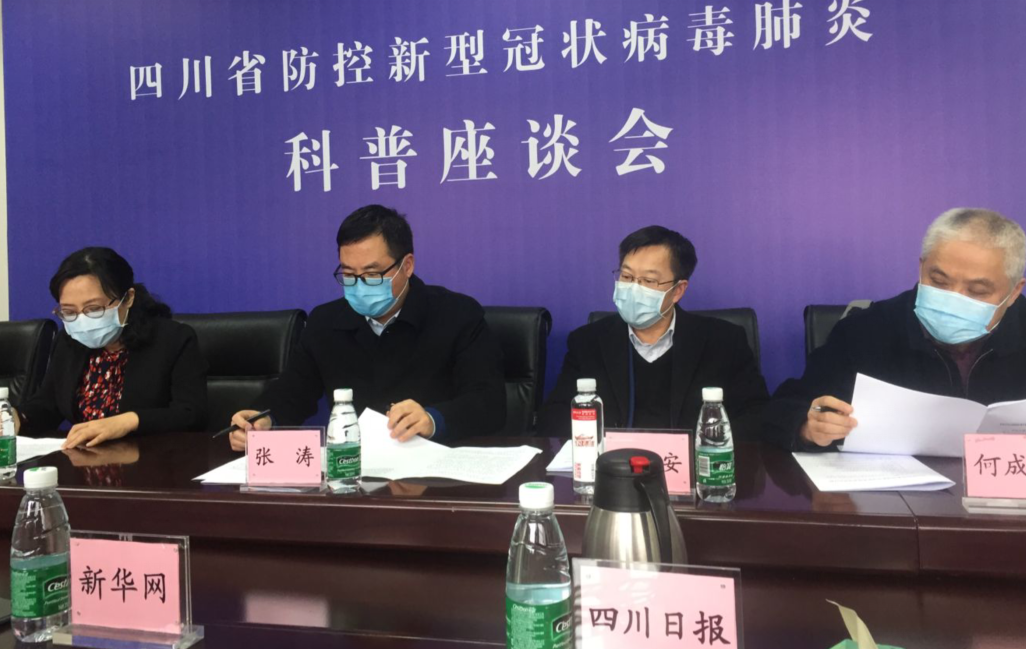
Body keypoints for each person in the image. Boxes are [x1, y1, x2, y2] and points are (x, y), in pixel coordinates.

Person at [229, 205, 506, 450]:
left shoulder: (457, 314)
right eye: (349, 274)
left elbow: (489, 403)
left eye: (372, 274)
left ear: (407, 266)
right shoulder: (325, 322)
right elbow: (293, 392)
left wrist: (432, 419)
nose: (359, 285)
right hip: (353, 467)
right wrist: (262, 418)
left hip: (435, 467)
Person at [765, 207, 1026, 450]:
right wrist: (807, 426)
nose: (953, 299)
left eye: (977, 291)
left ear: (1014, 292)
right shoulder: (866, 330)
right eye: (939, 281)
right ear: (921, 267)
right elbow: (784, 409)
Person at [537, 226, 769, 438]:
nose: (633, 288)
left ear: (678, 290)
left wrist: (704, 446)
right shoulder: (587, 342)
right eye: (627, 277)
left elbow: (757, 415)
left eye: (648, 280)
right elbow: (555, 416)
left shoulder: (724, 342)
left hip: (694, 464)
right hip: (612, 465)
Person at [16, 247, 207, 447]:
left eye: (94, 309)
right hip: (86, 458)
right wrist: (18, 416)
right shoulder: (69, 341)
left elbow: (191, 414)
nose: (82, 321)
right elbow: (49, 405)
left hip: (151, 457)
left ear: (128, 298)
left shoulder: (172, 339)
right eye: (69, 312)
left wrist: (129, 421)